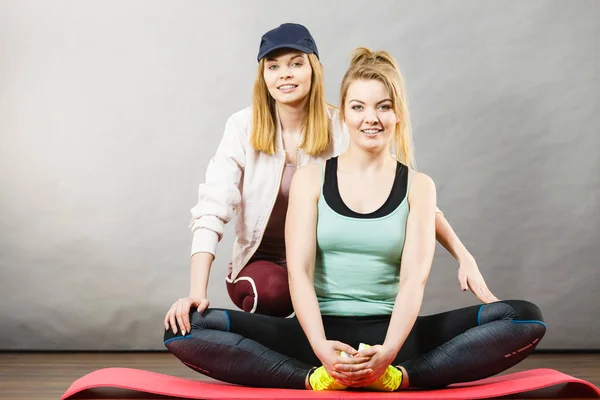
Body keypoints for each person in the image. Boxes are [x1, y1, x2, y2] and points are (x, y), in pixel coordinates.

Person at [163, 47, 546, 392]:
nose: (371, 118)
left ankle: (398, 377)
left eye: (383, 106)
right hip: (318, 335)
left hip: (396, 335)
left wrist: (390, 351)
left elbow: (415, 279)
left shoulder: (419, 187)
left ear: (398, 113)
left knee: (522, 317)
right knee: (186, 329)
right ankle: (314, 378)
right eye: (358, 107)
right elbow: (298, 271)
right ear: (342, 114)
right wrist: (321, 349)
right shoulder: (311, 180)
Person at [164, 23, 497, 336]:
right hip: (263, 264)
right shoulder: (242, 127)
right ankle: (287, 341)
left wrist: (463, 256)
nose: (285, 75)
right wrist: (196, 293)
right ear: (262, 76)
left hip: (323, 259)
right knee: (275, 290)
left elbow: (403, 192)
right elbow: (213, 207)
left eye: (295, 64)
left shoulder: (342, 123)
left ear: (314, 69)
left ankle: (327, 339)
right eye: (273, 67)